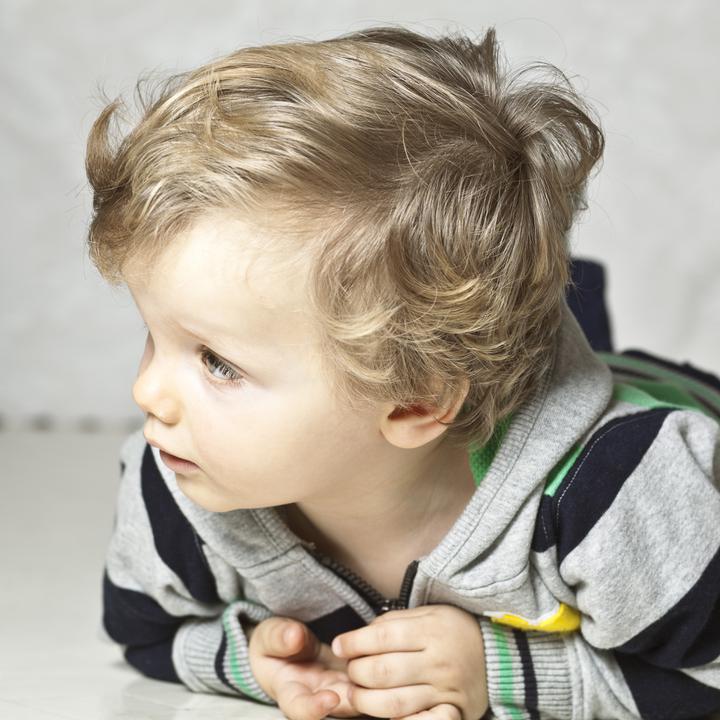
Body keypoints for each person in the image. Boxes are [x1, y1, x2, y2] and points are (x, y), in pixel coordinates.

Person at [85, 24, 720, 720]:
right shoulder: (176, 484)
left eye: (217, 362)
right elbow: (145, 634)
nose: (147, 391)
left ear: (413, 403)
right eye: (154, 335)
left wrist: (497, 670)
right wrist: (255, 660)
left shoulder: (614, 501)